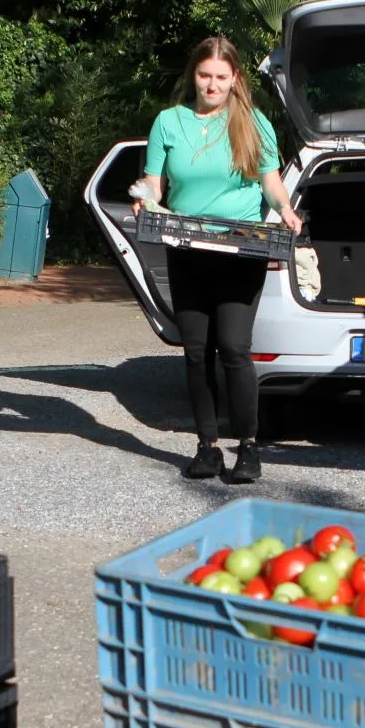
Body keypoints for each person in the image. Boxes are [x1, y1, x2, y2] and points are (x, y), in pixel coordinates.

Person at [133, 36, 303, 484]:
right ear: (194, 74)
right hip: (186, 245)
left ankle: (248, 447)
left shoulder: (253, 123)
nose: (211, 85)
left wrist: (285, 209)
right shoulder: (169, 122)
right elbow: (155, 183)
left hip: (240, 247)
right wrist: (143, 198)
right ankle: (206, 447)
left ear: (235, 79)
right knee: (194, 352)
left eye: (221, 77)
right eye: (204, 75)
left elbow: (270, 180)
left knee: (233, 348)